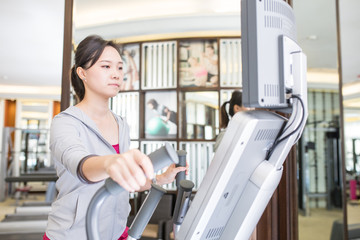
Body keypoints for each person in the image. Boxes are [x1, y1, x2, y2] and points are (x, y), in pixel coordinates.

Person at [43, 35, 187, 240]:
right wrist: (112, 161)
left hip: (116, 232)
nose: (116, 74)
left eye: (120, 68)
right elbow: (80, 165)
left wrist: (160, 179)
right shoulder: (65, 122)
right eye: (106, 67)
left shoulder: (121, 124)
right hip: (74, 235)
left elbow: (123, 180)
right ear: (82, 73)